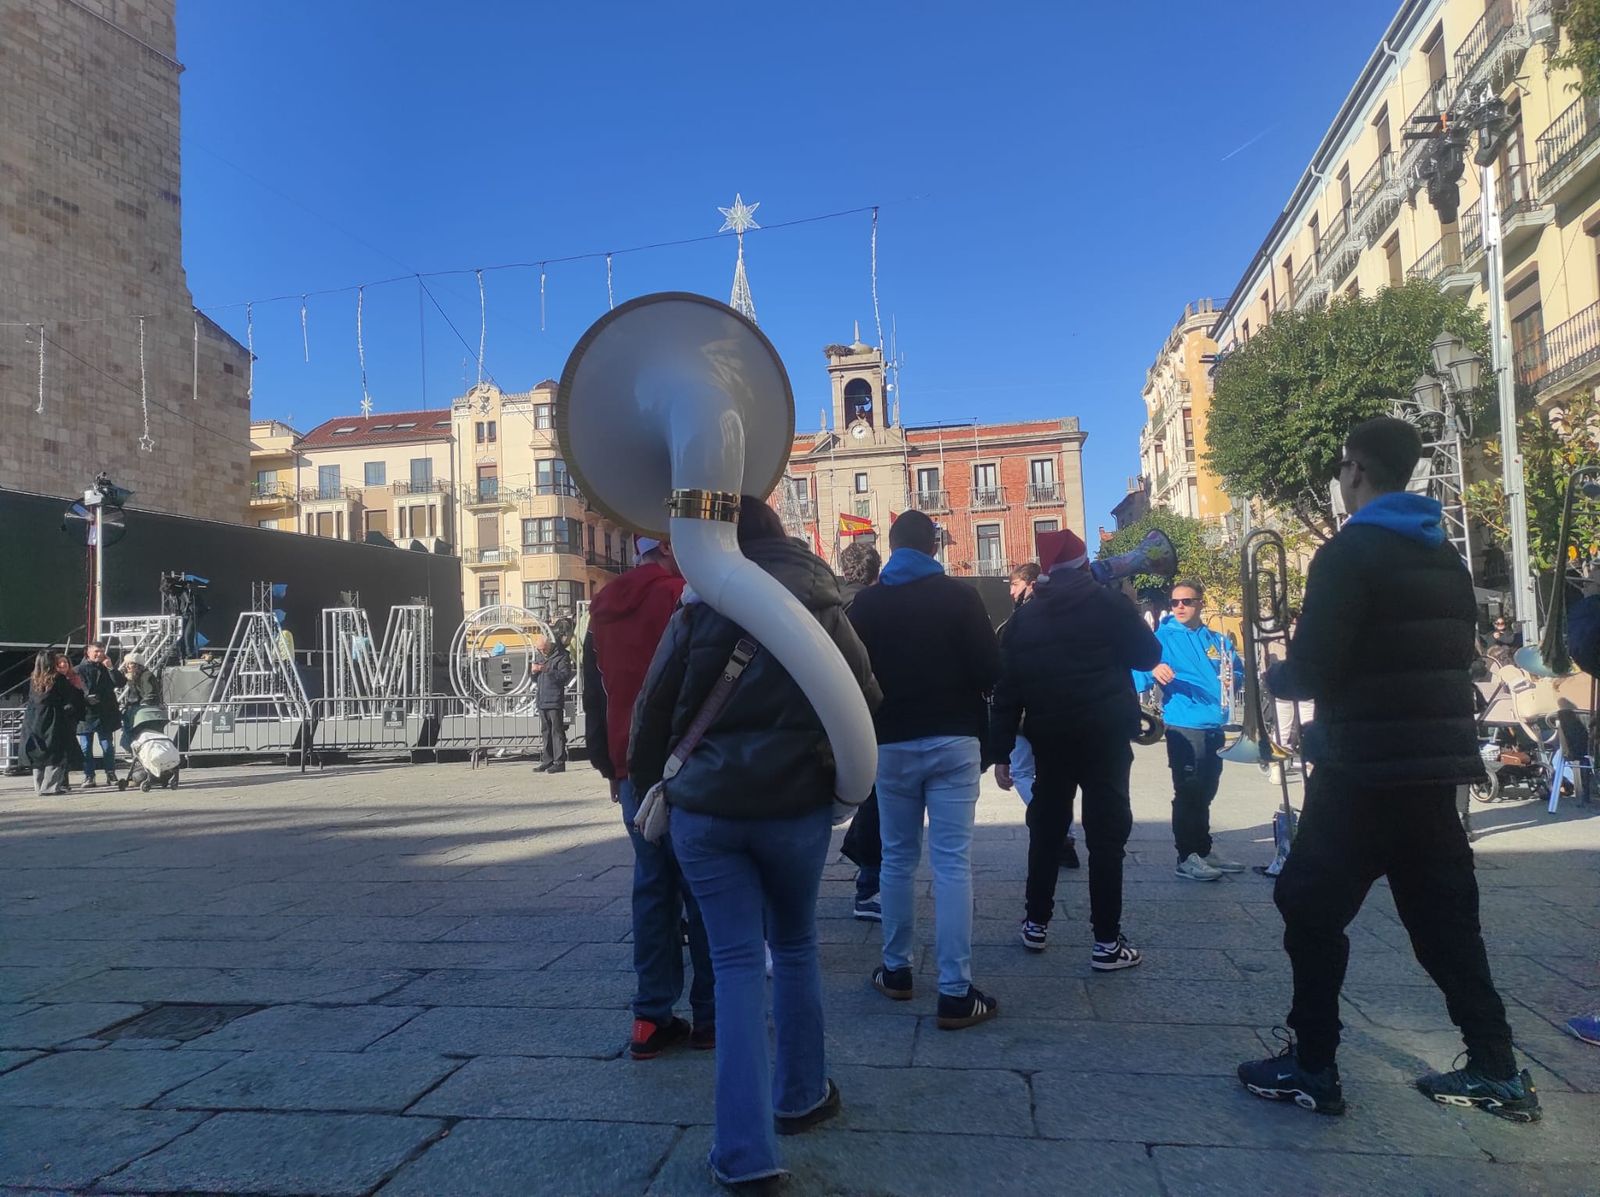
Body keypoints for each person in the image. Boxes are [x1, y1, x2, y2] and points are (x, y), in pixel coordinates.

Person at [1239, 417, 1540, 1123]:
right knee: (1446, 926)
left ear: (1357, 470)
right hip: (1432, 774)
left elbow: (1314, 667)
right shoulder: (1445, 558)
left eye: (1342, 469)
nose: (1339, 482)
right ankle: (1497, 1067)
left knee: (1308, 909)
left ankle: (1313, 1063)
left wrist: (1276, 672)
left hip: (1362, 768)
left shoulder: (1349, 554)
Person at [630, 498, 880, 1187]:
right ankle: (802, 1095)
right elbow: (865, 695)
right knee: (796, 943)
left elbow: (654, 709)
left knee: (737, 961)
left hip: (706, 810)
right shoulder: (826, 604)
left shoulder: (698, 603)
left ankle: (744, 1153)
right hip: (796, 803)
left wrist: (655, 785)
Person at [848, 510, 1001, 1028]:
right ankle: (955, 992)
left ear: (891, 547)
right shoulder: (961, 597)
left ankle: (896, 971)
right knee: (953, 863)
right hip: (954, 739)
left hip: (890, 743)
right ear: (933, 547)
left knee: (896, 858)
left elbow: (852, 676)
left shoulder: (866, 603)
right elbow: (989, 671)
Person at [992, 528, 1160, 967]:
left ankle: (1035, 924)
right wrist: (1123, 596)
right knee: (1106, 836)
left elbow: (1007, 689)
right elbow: (1147, 655)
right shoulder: (1107, 603)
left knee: (1046, 829)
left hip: (1050, 737)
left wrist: (1003, 751)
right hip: (1104, 735)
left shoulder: (1024, 619)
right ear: (1084, 565)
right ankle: (1106, 942)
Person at [583, 535, 715, 1060]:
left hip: (631, 766)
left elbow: (597, 694)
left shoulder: (604, 605)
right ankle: (712, 1016)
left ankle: (649, 1016)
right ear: (669, 546)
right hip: (688, 762)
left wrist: (610, 765)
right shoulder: (685, 596)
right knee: (704, 889)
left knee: (652, 887)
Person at [1133, 580, 1246, 882]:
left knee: (1208, 789)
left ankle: (1204, 849)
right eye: (1175, 602)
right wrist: (1153, 668)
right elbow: (1137, 672)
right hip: (1184, 725)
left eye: (1187, 601)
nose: (1180, 607)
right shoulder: (1161, 638)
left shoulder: (1218, 640)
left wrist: (1233, 677)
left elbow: (1236, 671)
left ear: (1200, 603)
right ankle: (1186, 856)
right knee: (1188, 790)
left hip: (1215, 724)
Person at [999, 562, 1080, 868]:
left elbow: (1006, 677)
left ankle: (1052, 828)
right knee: (1057, 779)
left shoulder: (1018, 622)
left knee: (1021, 773)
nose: (1010, 591)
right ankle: (1065, 834)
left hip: (1025, 713)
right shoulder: (1066, 618)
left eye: (1015, 584)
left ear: (1031, 584)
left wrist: (999, 746)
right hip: (1059, 713)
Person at [835, 540, 884, 921]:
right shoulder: (877, 605)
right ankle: (868, 888)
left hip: (830, 714)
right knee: (876, 800)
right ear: (876, 572)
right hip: (871, 713)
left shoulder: (828, 603)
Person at [23, 649, 86, 795]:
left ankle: (39, 786)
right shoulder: (58, 678)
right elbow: (70, 697)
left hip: (34, 719)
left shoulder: (34, 678)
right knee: (57, 752)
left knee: (39, 753)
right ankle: (50, 787)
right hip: (54, 719)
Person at [75, 642, 123, 788]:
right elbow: (74, 690)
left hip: (104, 713)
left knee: (107, 746)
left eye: (102, 651)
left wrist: (111, 668)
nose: (99, 654)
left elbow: (120, 683)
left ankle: (110, 773)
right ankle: (89, 776)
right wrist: (85, 698)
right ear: (88, 652)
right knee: (85, 747)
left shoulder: (106, 668)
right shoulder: (78, 670)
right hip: (86, 713)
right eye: (96, 651)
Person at [532, 631, 573, 774]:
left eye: (543, 649)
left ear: (549, 646)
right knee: (546, 731)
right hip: (542, 699)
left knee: (557, 731)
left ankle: (559, 762)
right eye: (539, 649)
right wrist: (534, 672)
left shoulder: (562, 656)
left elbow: (564, 676)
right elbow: (534, 679)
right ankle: (547, 760)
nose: (541, 652)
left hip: (554, 699)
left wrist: (547, 669)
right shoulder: (539, 656)